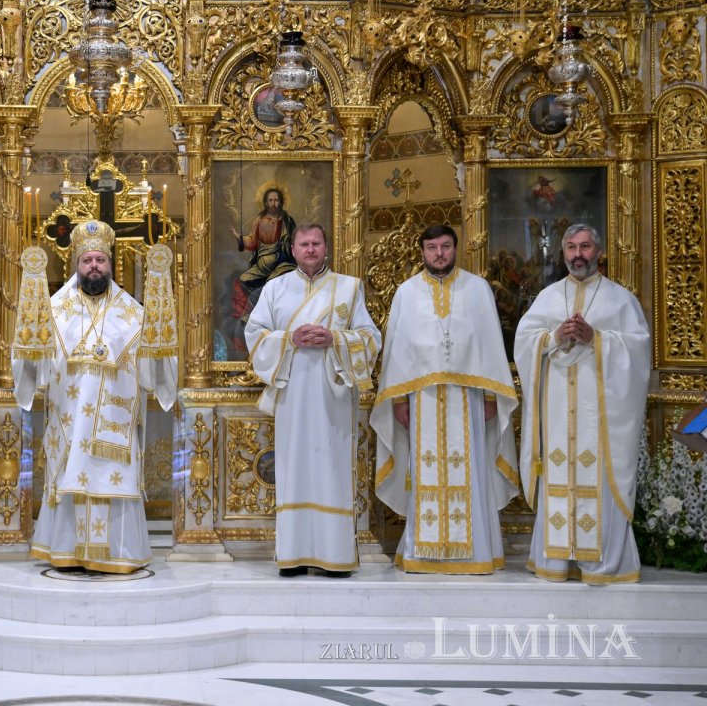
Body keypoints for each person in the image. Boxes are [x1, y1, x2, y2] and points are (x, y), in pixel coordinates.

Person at [12, 220, 177, 573]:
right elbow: (33, 359)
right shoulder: (54, 310)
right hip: (69, 415)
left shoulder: (132, 312)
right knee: (70, 476)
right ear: (76, 264)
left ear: (110, 264)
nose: (93, 267)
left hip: (113, 419)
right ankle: (67, 550)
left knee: (109, 476)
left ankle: (117, 554)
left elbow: (153, 362)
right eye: (87, 261)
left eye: (100, 260)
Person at [371, 225, 520, 574]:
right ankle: (421, 552)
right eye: (432, 247)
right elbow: (397, 350)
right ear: (421, 252)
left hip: (468, 399)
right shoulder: (406, 293)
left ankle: (476, 553)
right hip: (421, 399)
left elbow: (488, 347)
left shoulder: (478, 289)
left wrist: (489, 396)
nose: (439, 253)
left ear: (456, 249)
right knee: (422, 471)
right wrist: (399, 401)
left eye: (445, 246)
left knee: (471, 471)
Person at [515, 224, 650, 584]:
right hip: (558, 411)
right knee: (558, 475)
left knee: (598, 478)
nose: (578, 254)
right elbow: (524, 343)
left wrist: (598, 339)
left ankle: (600, 564)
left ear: (598, 251)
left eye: (585, 246)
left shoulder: (621, 299)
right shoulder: (547, 298)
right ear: (563, 254)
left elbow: (639, 351)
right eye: (572, 247)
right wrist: (554, 336)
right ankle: (556, 562)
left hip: (600, 417)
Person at [246, 224, 381, 577]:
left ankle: (334, 555)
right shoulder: (275, 288)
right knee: (293, 469)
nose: (310, 249)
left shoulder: (349, 288)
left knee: (332, 468)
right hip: (292, 394)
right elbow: (255, 334)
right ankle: (294, 554)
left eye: (316, 243)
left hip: (332, 395)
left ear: (326, 247)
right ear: (293, 249)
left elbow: (370, 337)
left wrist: (335, 338)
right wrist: (289, 338)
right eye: (303, 244)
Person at [229, 186, 297, 314]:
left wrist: (284, 245)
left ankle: (278, 310)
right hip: (262, 264)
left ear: (281, 202)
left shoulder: (288, 221)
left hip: (282, 263)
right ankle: (261, 306)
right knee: (244, 279)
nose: (273, 204)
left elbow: (295, 243)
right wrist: (240, 238)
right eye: (270, 200)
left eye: (276, 200)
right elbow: (253, 242)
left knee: (278, 283)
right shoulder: (259, 221)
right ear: (265, 202)